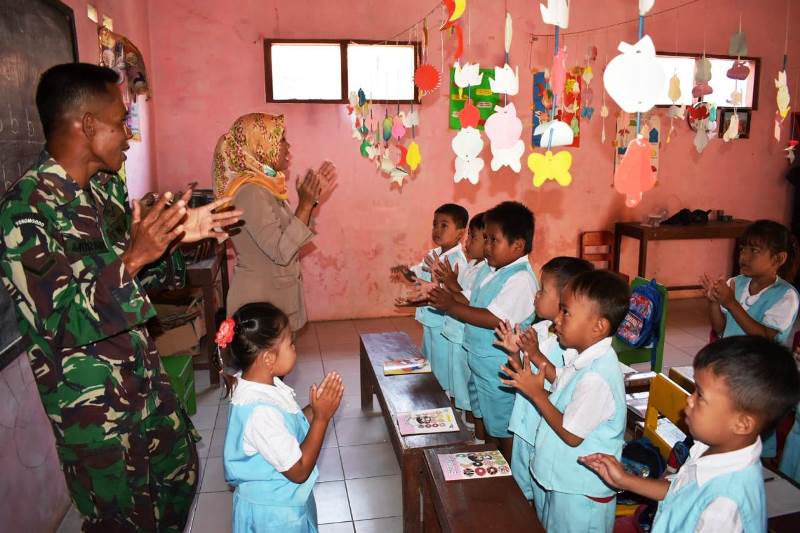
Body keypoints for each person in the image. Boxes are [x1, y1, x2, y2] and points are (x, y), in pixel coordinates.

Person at [0, 63, 241, 531]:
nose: (129, 135)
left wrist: (170, 240)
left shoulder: (103, 194)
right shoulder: (25, 213)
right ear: (87, 125)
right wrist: (132, 259)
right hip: (94, 412)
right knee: (123, 522)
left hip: (144, 383)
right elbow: (62, 321)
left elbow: (138, 289)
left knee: (180, 480)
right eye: (121, 122)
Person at [582, 336, 800, 533]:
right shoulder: (712, 446)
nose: (689, 400)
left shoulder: (724, 506)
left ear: (742, 424)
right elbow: (679, 490)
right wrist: (626, 480)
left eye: (700, 395)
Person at [501, 270, 630, 533]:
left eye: (566, 313)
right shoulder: (584, 355)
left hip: (582, 493)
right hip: (566, 481)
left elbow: (571, 435)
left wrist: (536, 394)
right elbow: (561, 381)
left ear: (598, 326)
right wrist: (535, 356)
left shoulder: (598, 376)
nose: (556, 320)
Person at [218, 302, 344, 533]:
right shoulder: (260, 412)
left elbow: (287, 422)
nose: (295, 349)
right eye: (291, 343)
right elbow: (299, 471)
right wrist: (321, 419)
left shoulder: (261, 385)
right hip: (273, 517)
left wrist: (316, 408)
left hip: (283, 503)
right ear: (268, 359)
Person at [429, 201, 538, 458]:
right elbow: (470, 301)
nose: (486, 246)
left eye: (493, 240)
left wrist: (450, 306)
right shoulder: (491, 269)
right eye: (485, 238)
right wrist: (451, 285)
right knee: (486, 419)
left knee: (502, 427)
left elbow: (491, 318)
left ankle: (510, 479)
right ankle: (491, 463)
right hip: (479, 361)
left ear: (517, 245)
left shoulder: (520, 279)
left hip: (500, 368)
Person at [213, 113, 336, 332]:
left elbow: (293, 236)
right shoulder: (250, 192)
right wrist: (305, 205)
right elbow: (282, 252)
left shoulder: (265, 187)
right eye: (280, 140)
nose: (288, 147)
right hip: (259, 308)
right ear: (259, 145)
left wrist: (310, 203)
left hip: (273, 300)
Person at [495, 257, 594, 500]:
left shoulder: (570, 348)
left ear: (564, 300)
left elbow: (561, 394)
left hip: (545, 430)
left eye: (542, 291)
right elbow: (524, 375)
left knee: (540, 494)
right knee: (520, 490)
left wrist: (534, 354)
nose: (535, 296)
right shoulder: (538, 331)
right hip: (523, 425)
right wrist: (513, 353)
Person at [392, 203, 469, 395]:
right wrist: (405, 273)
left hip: (444, 324)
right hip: (430, 321)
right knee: (431, 360)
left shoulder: (458, 261)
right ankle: (434, 394)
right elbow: (418, 278)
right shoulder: (433, 254)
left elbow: (454, 294)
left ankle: (445, 399)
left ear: (460, 233)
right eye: (435, 224)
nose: (437, 229)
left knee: (444, 365)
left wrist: (425, 294)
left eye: (444, 225)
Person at [701, 219, 799, 345]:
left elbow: (765, 339)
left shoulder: (786, 296)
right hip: (730, 357)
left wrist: (731, 303)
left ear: (778, 259)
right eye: (742, 249)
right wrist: (713, 302)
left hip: (760, 363)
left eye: (754, 250)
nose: (744, 256)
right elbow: (720, 329)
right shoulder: (735, 283)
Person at [431, 212, 486, 427]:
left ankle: (471, 430)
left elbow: (465, 300)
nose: (467, 243)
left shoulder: (481, 270)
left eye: (473, 238)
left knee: (465, 388)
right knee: (457, 383)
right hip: (454, 331)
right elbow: (458, 294)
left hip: (464, 336)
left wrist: (449, 283)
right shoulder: (473, 266)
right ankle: (461, 423)